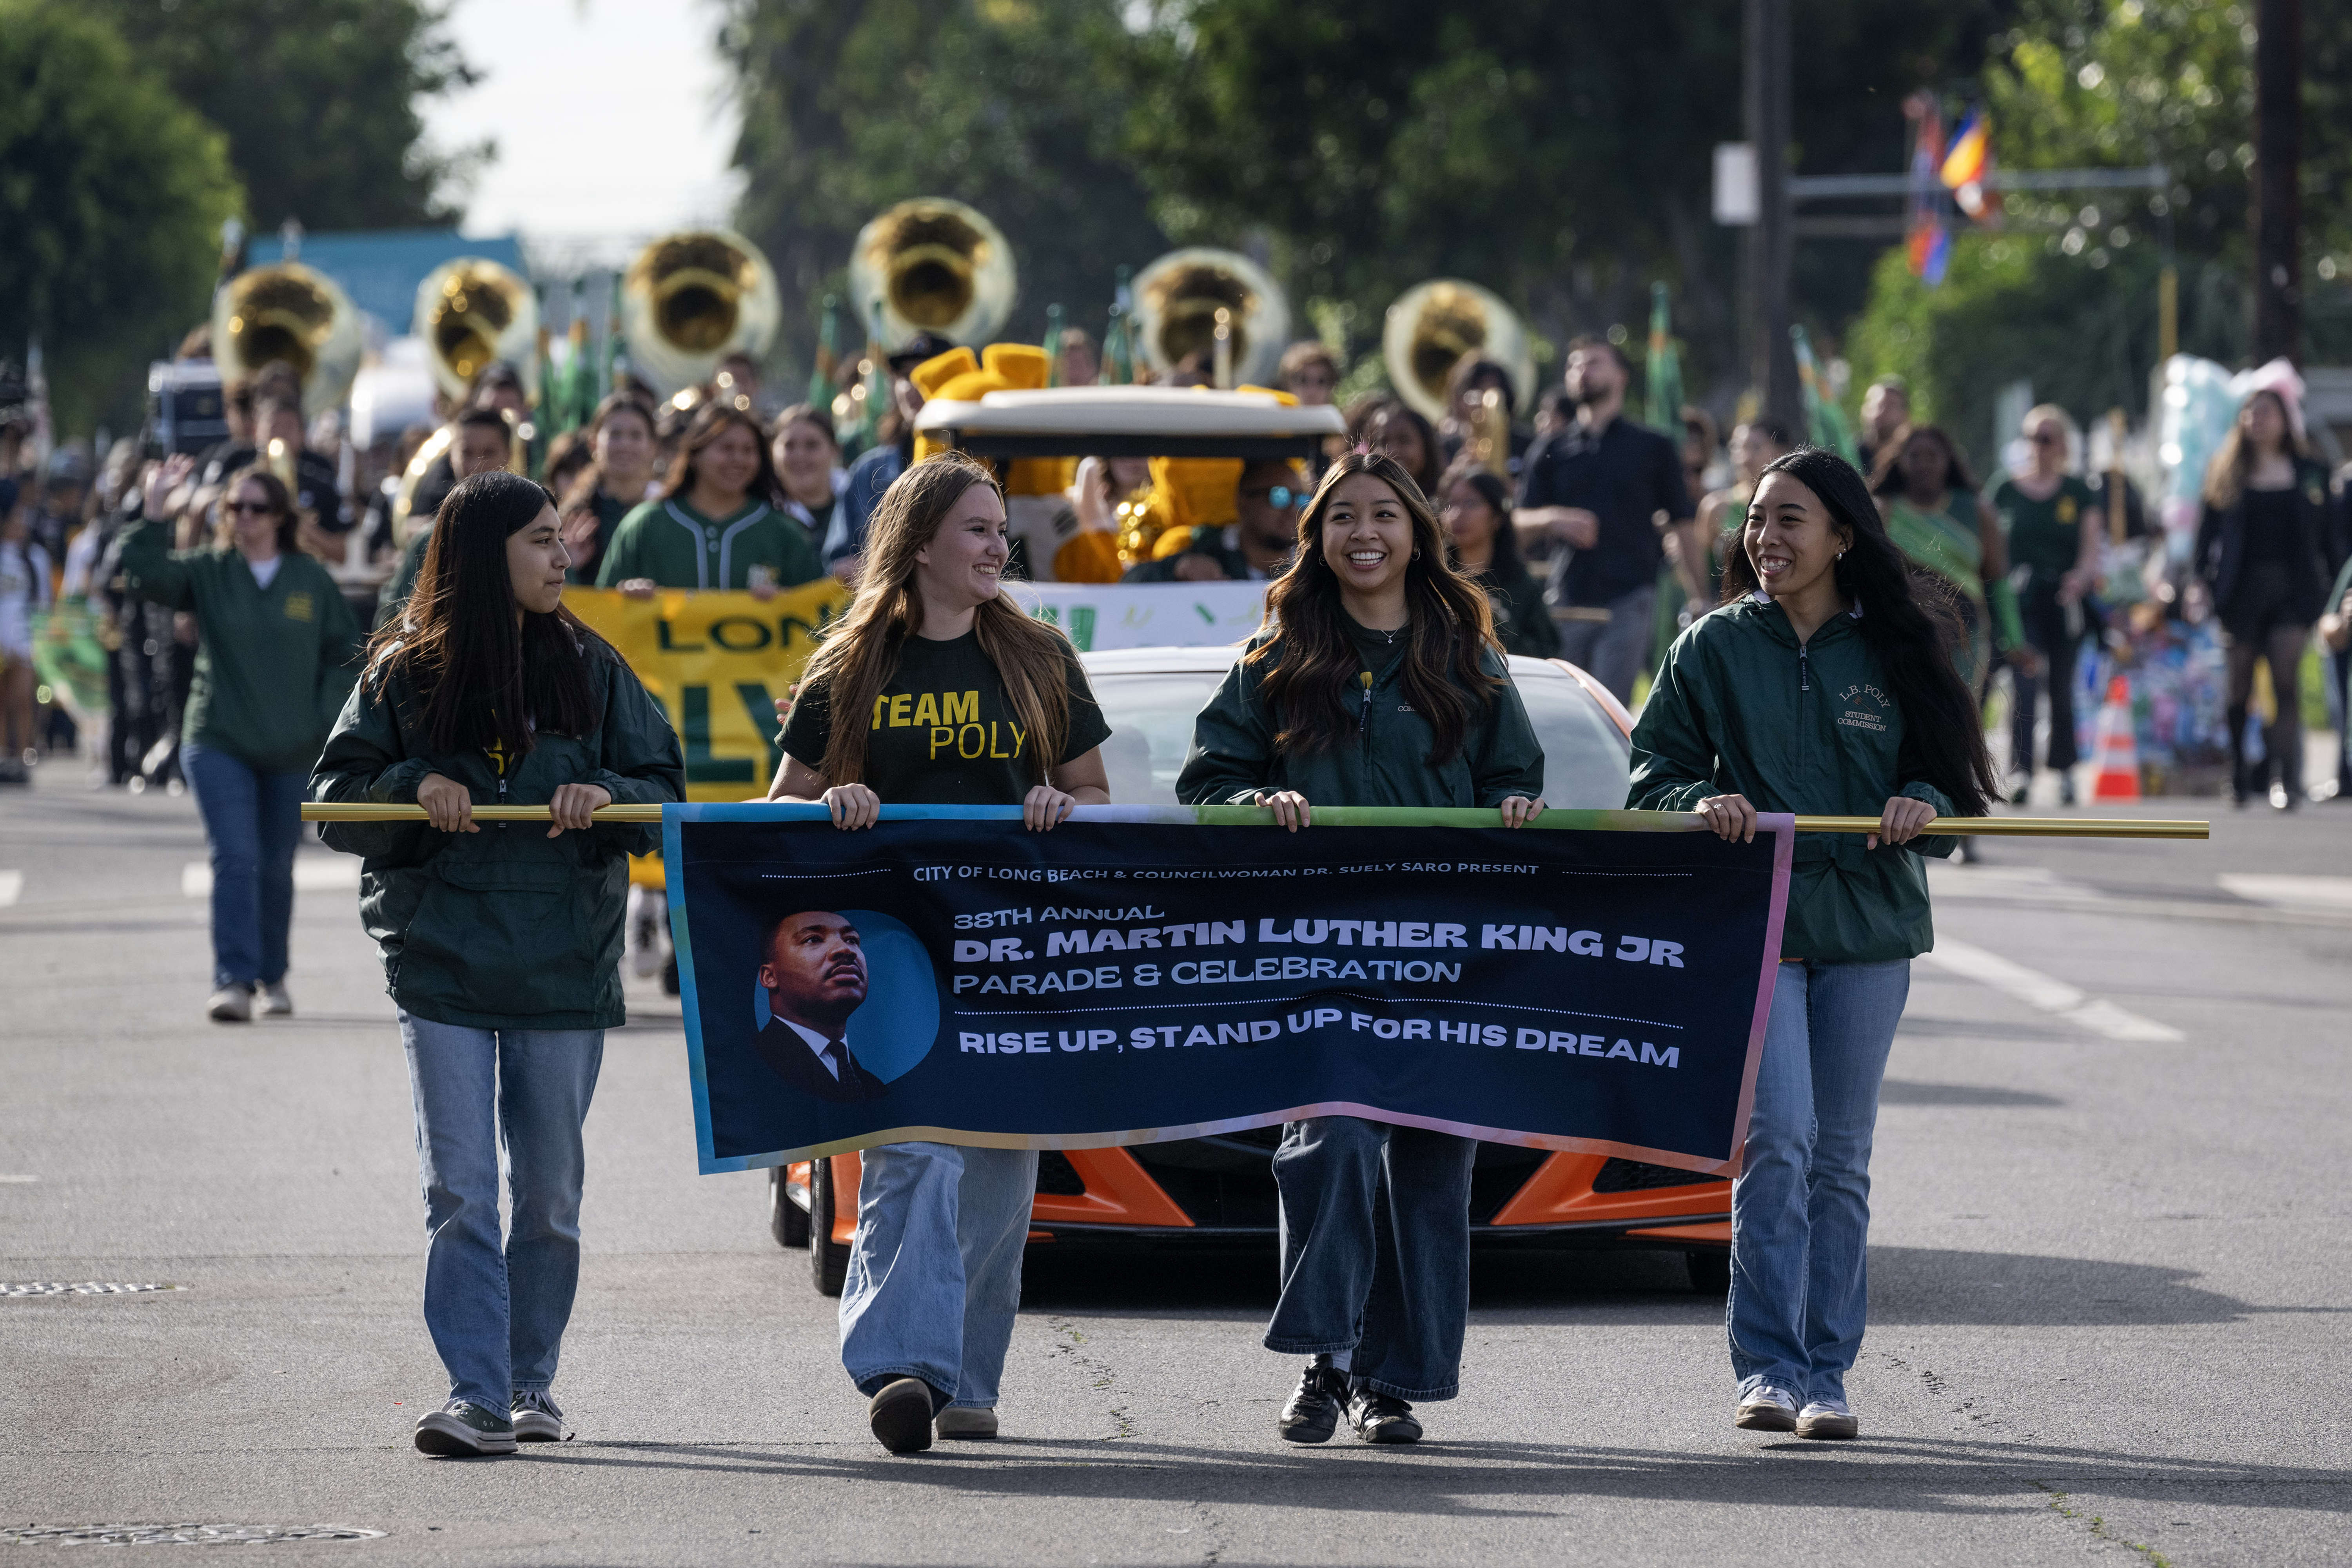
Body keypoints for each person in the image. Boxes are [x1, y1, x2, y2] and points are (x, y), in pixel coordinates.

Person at [310, 470, 684, 1458]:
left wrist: (604, 794)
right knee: (463, 1191)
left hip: (563, 968)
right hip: (440, 965)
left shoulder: (593, 667)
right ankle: (475, 1393)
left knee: (550, 1196)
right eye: (540, 541)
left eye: (564, 540)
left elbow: (663, 785)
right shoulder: (402, 671)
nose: (564, 557)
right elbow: (336, 794)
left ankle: (532, 1384)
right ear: (484, 557)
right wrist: (410, 783)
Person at [1176, 450, 1546, 1448]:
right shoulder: (1273, 655)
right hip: (1319, 953)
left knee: (1431, 1165)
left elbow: (1516, 772)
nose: (1365, 533)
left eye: (1385, 514)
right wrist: (1257, 800)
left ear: (1418, 532)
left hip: (1442, 953)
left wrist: (1513, 804)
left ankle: (1398, 1382)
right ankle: (1326, 1356)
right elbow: (1206, 784)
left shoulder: (1469, 656)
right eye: (1343, 517)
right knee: (1330, 1140)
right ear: (1318, 536)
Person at [1628, 446, 1997, 1444]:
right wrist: (1696, 800)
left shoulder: (1901, 645)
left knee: (1840, 1155)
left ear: (1843, 535)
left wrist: (1922, 802)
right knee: (1775, 1142)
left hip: (1871, 929)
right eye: (1756, 519)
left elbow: (1952, 786)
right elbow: (1650, 770)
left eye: (1790, 519)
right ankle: (1767, 1366)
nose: (1766, 537)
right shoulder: (1709, 646)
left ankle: (1828, 1371)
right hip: (1761, 927)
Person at [767, 450, 1111, 1454]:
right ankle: (900, 1367)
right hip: (892, 952)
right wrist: (833, 801)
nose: (998, 544)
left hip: (1012, 949)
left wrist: (1062, 802)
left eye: (1002, 528)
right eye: (976, 528)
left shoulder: (1041, 655)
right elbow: (780, 807)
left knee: (1002, 1175)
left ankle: (964, 1378)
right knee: (911, 1151)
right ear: (919, 545)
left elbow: (1094, 792)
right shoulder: (849, 664)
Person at [120, 467, 363, 1020]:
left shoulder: (309, 579)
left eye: (255, 508)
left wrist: (321, 716)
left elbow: (347, 653)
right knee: (235, 857)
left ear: (280, 517)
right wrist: (155, 513)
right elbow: (146, 575)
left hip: (291, 748)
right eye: (233, 508)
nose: (243, 518)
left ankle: (272, 976)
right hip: (218, 739)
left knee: (277, 866)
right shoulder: (211, 570)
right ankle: (232, 980)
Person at [1514, 335, 1694, 704]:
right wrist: (1552, 519)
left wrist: (1701, 594)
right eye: (1575, 365)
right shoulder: (1550, 449)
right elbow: (1515, 523)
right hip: (1565, 600)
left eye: (1594, 363)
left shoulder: (1652, 447)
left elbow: (1683, 522)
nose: (1582, 372)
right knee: (1564, 712)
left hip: (1629, 599)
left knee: (1608, 709)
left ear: (1622, 376)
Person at [2194, 388, 2332, 810]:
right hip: (2241, 591)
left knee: (2286, 681)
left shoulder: (2309, 471)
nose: (2258, 420)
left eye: (2266, 413)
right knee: (2239, 686)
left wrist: (2331, 588)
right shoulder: (2226, 472)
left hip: (2293, 590)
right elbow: (2206, 539)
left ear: (2285, 420)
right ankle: (2238, 773)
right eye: (2251, 414)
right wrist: (2199, 583)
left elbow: (2329, 537)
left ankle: (2283, 776)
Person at [1990, 407, 2106, 805]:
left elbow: (2092, 549)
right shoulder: (2005, 489)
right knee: (2024, 681)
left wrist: (2080, 577)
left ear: (2063, 444)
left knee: (2062, 685)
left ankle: (2066, 769)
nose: (2039, 447)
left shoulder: (2079, 491)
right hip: (2019, 599)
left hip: (2062, 597)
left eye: (2047, 438)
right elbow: (1989, 546)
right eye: (2032, 438)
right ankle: (2021, 770)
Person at [1869, 425, 2033, 700]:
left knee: (1957, 721)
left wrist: (2014, 641)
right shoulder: (1884, 510)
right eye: (1915, 456)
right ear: (1901, 461)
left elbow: (1999, 580)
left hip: (1965, 641)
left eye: (1933, 456)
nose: (1924, 465)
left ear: (1948, 461)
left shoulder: (1978, 511)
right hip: (1901, 637)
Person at [597, 402, 821, 599]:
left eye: (749, 450)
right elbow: (602, 618)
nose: (738, 459)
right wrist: (624, 596)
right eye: (726, 448)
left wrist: (787, 602)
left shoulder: (786, 534)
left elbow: (815, 619)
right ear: (695, 455)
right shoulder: (644, 525)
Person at [826, 332, 955, 576]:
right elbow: (836, 563)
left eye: (928, 373)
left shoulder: (987, 463)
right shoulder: (866, 472)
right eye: (906, 376)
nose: (913, 387)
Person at [380, 410, 519, 624]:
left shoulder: (527, 530)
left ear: (509, 455)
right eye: (466, 453)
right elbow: (392, 618)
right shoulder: (429, 540)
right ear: (452, 456)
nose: (476, 465)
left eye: (488, 453)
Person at [752, 911, 889, 1103]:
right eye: (813, 939)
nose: (845, 949)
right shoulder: (745, 1069)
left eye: (852, 940)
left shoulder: (874, 1088)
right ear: (770, 977)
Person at [1439, 461, 1557, 658]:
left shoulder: (1521, 585)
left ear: (1497, 518)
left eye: (1471, 504)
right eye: (1451, 504)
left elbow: (1548, 654)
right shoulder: (1433, 573)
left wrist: (1496, 622)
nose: (1458, 514)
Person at [1119, 460, 1305, 583]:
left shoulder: (1312, 562)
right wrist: (1178, 569)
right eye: (1279, 496)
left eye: (1300, 498)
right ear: (1243, 501)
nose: (1292, 508)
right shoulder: (1205, 548)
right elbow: (1129, 583)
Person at [557, 395, 659, 586]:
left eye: (636, 435)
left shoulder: (669, 510)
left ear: (653, 446)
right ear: (594, 444)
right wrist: (566, 566)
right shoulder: (572, 515)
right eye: (615, 435)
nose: (625, 445)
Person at [1694, 419, 1795, 604]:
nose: (1744, 457)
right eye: (1737, 448)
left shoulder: (1795, 508)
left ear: (1781, 452)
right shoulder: (1715, 508)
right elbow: (1698, 571)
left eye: (1755, 448)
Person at [0, 494, 51, 784]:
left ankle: (22, 755)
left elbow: (42, 603)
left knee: (23, 698)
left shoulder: (35, 558)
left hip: (23, 637)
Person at [769, 403, 849, 561]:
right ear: (772, 451)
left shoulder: (863, 504)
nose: (800, 456)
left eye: (812, 445)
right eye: (789, 446)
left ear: (835, 451)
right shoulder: (763, 511)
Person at [1347, 396, 1443, 501]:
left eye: (1404, 440)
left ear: (1426, 447)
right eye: (1382, 441)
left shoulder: (1448, 505)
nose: (1391, 451)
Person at [1856, 376, 1910, 475]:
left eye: (1891, 406)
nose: (1883, 412)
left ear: (1905, 414)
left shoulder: (1911, 457)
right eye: (1878, 405)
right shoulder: (1849, 453)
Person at [1279, 341, 1340, 407]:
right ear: (1288, 385)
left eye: (1321, 382)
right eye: (1303, 380)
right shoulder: (1271, 416)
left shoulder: (1340, 417)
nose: (1312, 391)